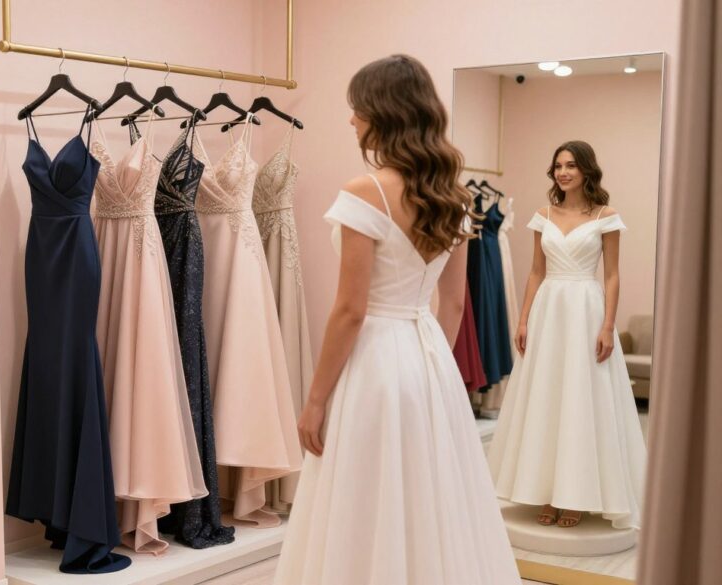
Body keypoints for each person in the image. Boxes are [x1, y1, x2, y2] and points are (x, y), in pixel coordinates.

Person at [274, 55, 520, 584]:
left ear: (383, 112)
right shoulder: (451, 198)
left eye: (357, 107)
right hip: (427, 355)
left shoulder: (366, 192)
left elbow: (350, 309)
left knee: (366, 489)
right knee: (428, 492)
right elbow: (453, 306)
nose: (351, 119)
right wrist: (433, 370)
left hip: (376, 361)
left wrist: (314, 400)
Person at [487, 141, 646, 530]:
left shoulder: (606, 216)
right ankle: (545, 490)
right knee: (547, 396)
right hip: (549, 309)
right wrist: (523, 319)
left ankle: (576, 495)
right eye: (558, 165)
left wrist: (608, 325)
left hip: (586, 310)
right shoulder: (543, 214)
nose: (563, 172)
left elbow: (611, 275)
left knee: (581, 397)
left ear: (587, 170)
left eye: (571, 165)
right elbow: (536, 272)